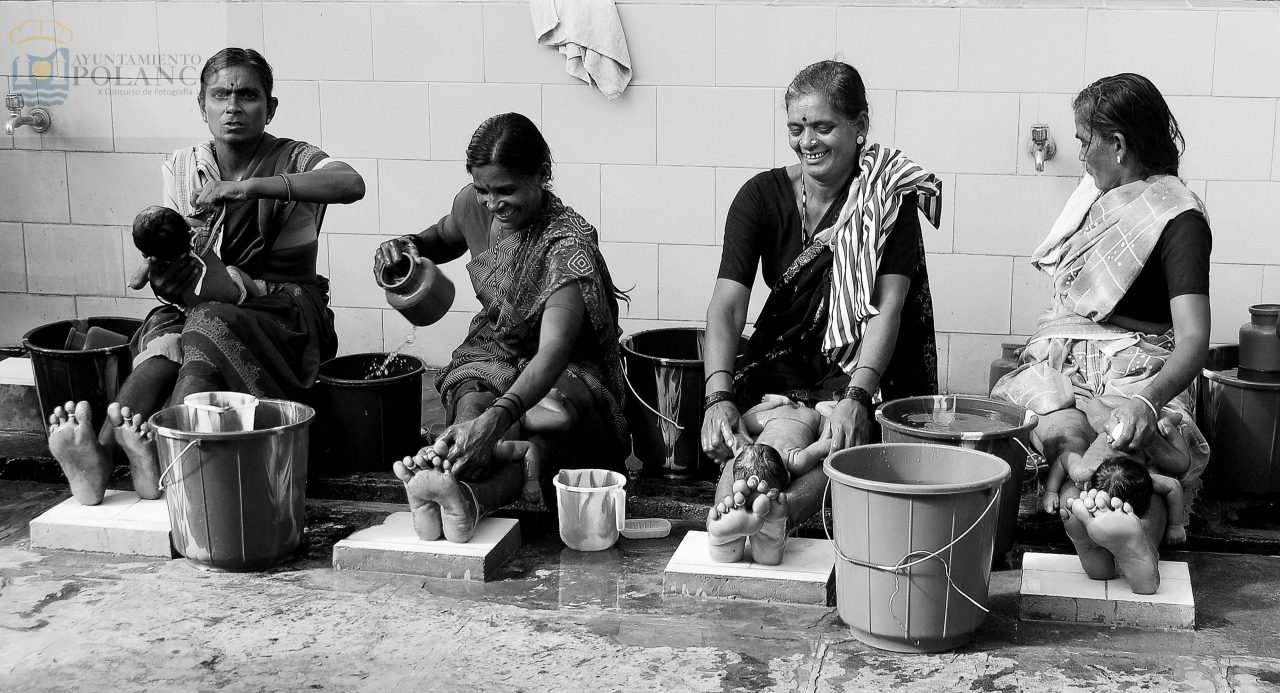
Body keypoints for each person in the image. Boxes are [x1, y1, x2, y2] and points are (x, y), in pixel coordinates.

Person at [46, 47, 365, 506]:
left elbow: (350, 183)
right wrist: (160, 266)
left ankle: (162, 451)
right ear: (202, 106)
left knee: (207, 325)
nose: (233, 106)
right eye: (220, 95)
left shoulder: (296, 157)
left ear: (270, 107)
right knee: (161, 337)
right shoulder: (184, 166)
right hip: (205, 301)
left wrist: (247, 188)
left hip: (285, 313)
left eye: (248, 95)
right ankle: (98, 455)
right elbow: (184, 245)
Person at [699, 60, 943, 562]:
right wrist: (716, 395)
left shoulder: (884, 202)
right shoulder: (760, 197)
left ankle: (772, 514)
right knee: (765, 439)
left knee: (841, 447)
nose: (807, 141)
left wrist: (857, 395)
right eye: (796, 127)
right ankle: (739, 515)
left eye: (823, 127)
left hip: (863, 369)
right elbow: (727, 306)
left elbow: (887, 308)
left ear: (861, 126)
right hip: (784, 366)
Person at [992, 73, 1212, 578]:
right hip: (1069, 365)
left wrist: (1145, 402)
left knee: (1125, 462)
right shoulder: (1097, 195)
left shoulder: (1177, 219)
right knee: (1064, 435)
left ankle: (1137, 545)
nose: (1081, 155)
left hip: (1140, 370)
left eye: (1084, 142)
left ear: (1117, 144)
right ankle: (1096, 543)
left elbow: (1194, 338)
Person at [377, 113, 629, 543]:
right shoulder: (473, 206)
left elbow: (553, 350)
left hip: (567, 369)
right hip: (497, 345)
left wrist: (499, 418)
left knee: (545, 423)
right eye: (483, 190)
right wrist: (405, 249)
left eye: (506, 190)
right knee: (473, 395)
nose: (493, 204)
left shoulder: (565, 245)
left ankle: (470, 496)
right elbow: (440, 238)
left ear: (542, 175)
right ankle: (451, 470)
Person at [707, 395, 832, 565]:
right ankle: (773, 519)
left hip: (751, 449)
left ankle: (725, 507)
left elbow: (743, 421)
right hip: (790, 450)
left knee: (734, 463)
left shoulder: (776, 412)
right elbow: (830, 442)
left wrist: (775, 403)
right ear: (787, 477)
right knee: (828, 466)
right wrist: (827, 425)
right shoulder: (799, 452)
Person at [1062, 460, 1163, 594]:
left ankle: (1091, 545)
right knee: (1157, 501)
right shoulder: (1153, 475)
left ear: (1088, 486)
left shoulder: (1086, 469)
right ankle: (1140, 546)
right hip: (1137, 512)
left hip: (1096, 511)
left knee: (1070, 490)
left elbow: (1064, 460)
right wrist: (1175, 526)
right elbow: (1174, 486)